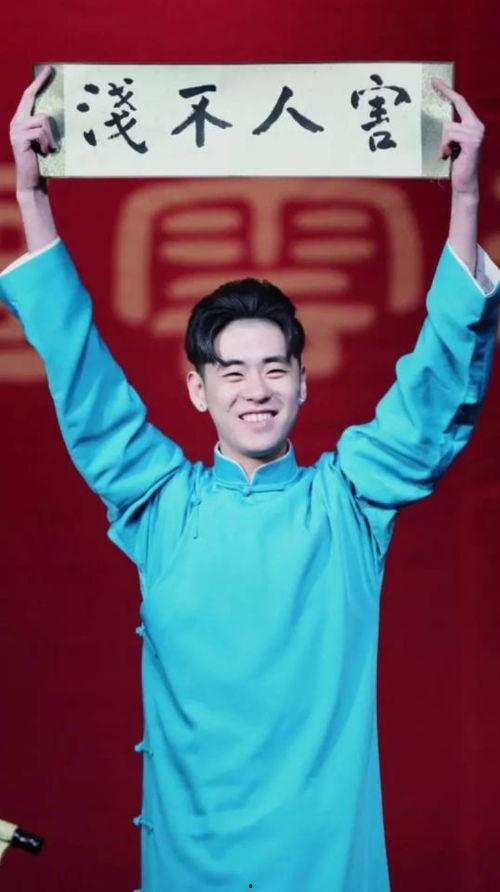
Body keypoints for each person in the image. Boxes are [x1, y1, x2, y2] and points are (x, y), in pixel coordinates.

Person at [2, 66, 499, 892]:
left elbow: (434, 390)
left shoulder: (347, 501)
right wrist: (30, 193)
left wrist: (467, 197)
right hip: (188, 866)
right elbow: (83, 376)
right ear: (198, 390)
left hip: (324, 868)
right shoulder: (165, 506)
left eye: (275, 368)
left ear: (304, 381)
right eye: (231, 372)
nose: (256, 390)